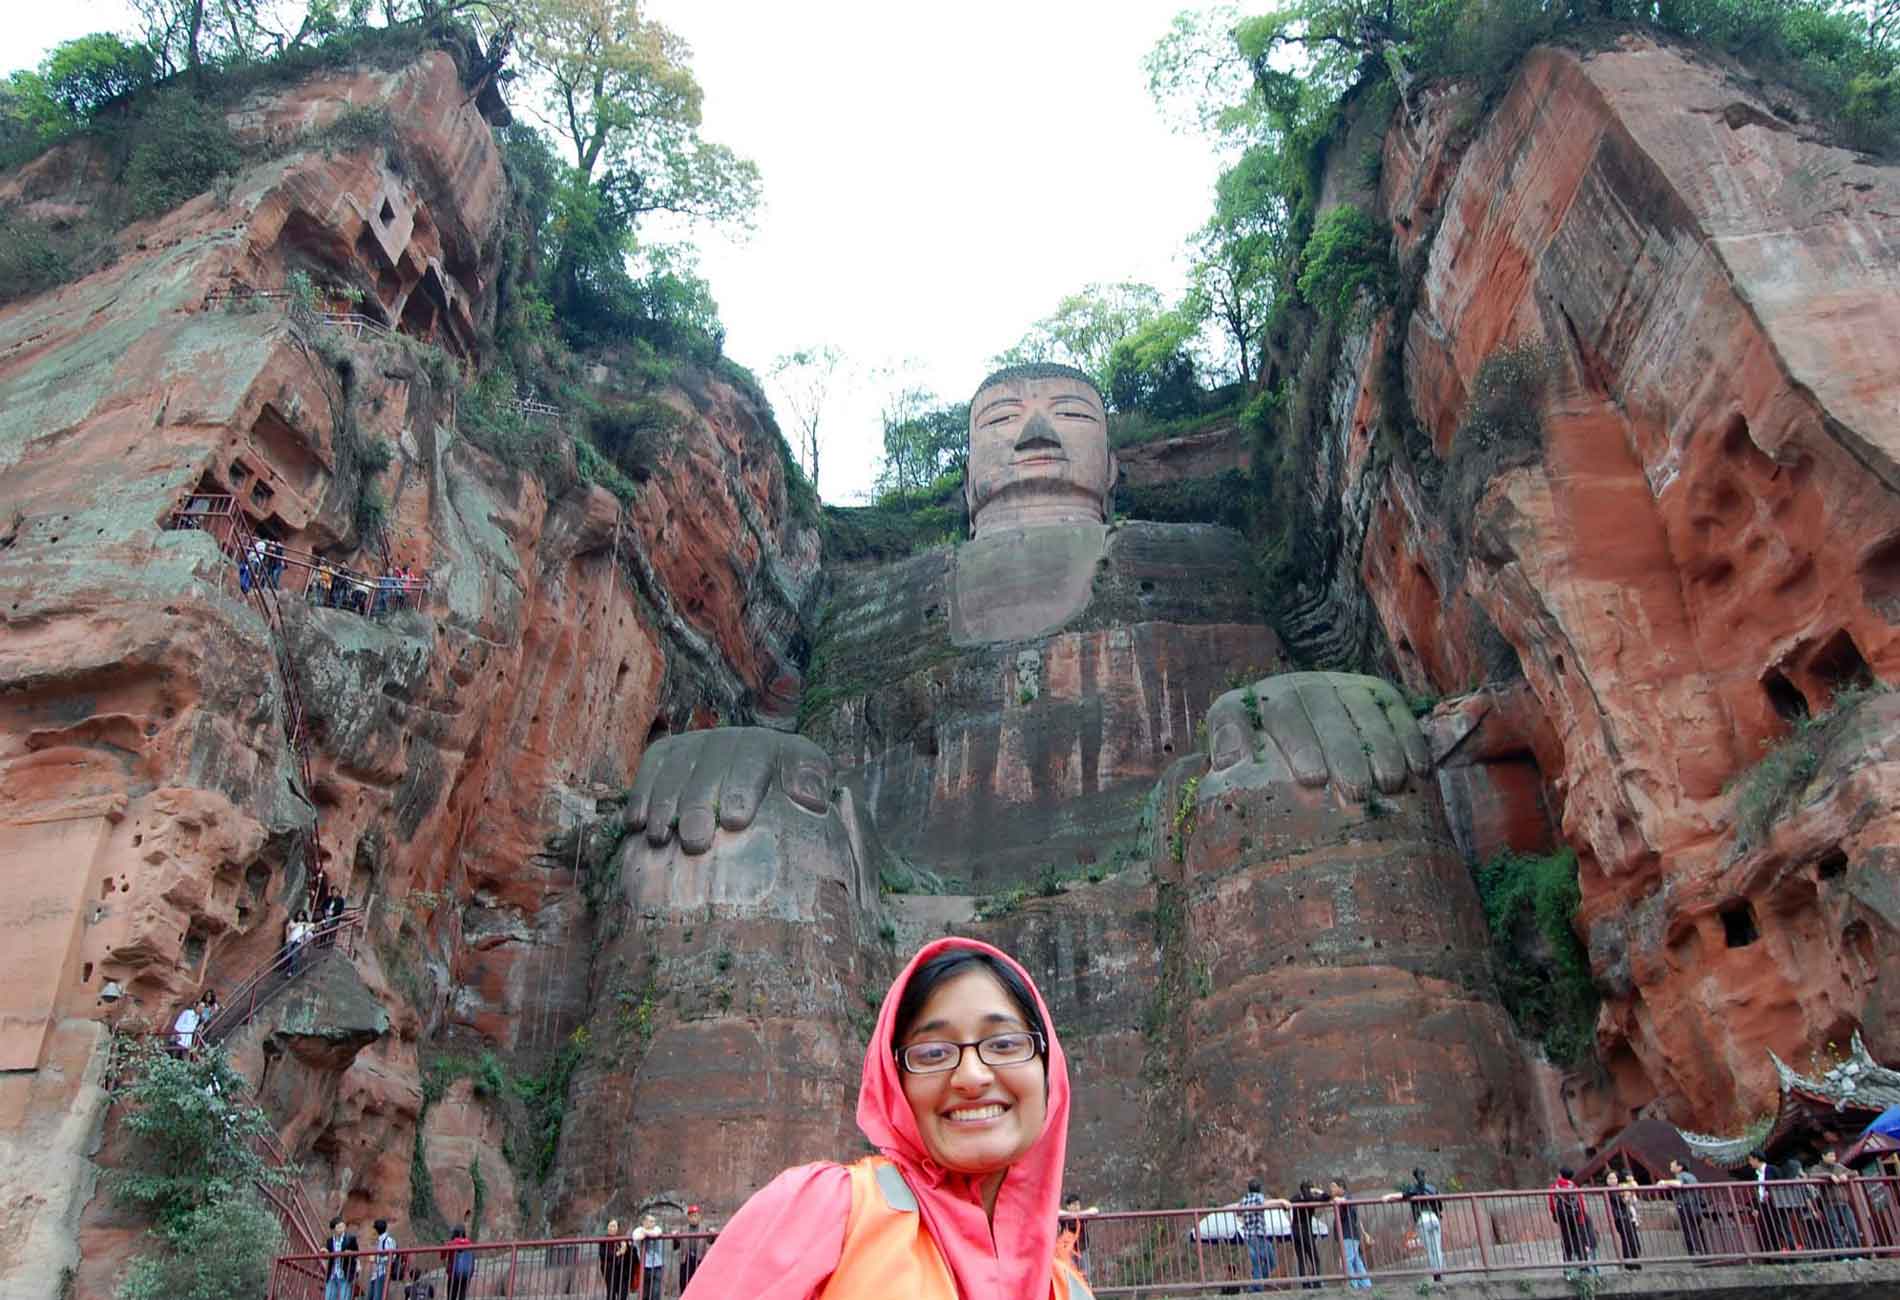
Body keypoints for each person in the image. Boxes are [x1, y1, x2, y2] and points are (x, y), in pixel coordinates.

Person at [678, 938, 1093, 1299]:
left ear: (1047, 1066)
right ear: (895, 1080)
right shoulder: (828, 1214)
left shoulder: (1068, 1290)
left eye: (1004, 1044)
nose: (971, 1076)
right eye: (933, 1053)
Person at [1385, 1168, 1443, 1280]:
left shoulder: (1413, 1189)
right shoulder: (1432, 1189)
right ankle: (1440, 1274)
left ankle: (1437, 1276)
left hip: (1423, 1220)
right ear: (1425, 1175)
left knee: (1431, 1249)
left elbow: (1402, 1195)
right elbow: (1439, 1206)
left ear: (1415, 1177)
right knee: (1437, 1248)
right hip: (1434, 1219)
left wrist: (1388, 1196)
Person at [1548, 1168, 1596, 1277]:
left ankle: (1567, 1269)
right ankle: (1583, 1267)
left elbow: (1552, 1206)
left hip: (1563, 1219)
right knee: (1580, 1242)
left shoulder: (1554, 1187)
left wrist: (1557, 1217)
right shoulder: (1574, 1187)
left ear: (1560, 1175)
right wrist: (1581, 1218)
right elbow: (1581, 1206)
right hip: (1576, 1218)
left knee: (1566, 1243)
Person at [1815, 1148, 1864, 1257]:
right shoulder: (1818, 1168)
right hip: (1830, 1204)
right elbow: (1812, 1175)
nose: (1833, 1158)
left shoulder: (1838, 1167)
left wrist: (1846, 1176)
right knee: (1836, 1231)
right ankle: (1842, 1256)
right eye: (1831, 1156)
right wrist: (1829, 1176)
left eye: (1834, 1156)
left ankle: (1856, 1255)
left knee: (1852, 1228)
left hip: (1844, 1203)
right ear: (1823, 1157)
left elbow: (1854, 1173)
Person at [1655, 1157, 1707, 1257]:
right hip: (1695, 1205)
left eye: (1673, 1164)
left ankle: (1694, 1252)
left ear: (1680, 1167)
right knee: (1695, 1228)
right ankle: (1702, 1251)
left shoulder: (1681, 1176)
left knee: (1688, 1228)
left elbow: (1679, 1184)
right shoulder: (1691, 1176)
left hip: (1686, 1205)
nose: (1671, 1165)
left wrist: (1664, 1182)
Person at [1329, 1178, 1373, 1289]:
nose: (1331, 1189)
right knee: (1356, 1260)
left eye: (1333, 1186)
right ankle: (1366, 1284)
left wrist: (1336, 1200)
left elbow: (1343, 1201)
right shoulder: (1343, 1198)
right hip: (1349, 1235)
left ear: (1341, 1187)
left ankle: (1353, 1284)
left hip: (1348, 1234)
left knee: (1347, 1260)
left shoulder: (1347, 1197)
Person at [1237, 1176, 1278, 1292]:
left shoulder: (1244, 1199)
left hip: (1248, 1235)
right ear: (1259, 1189)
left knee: (1256, 1263)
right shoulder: (1259, 1197)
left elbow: (1238, 1212)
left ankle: (1256, 1283)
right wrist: (1281, 1201)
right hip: (1259, 1234)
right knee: (1271, 1261)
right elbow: (1265, 1204)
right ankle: (1257, 1285)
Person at [1604, 1170, 1642, 1269]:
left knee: (1632, 1240)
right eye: (1610, 1178)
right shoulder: (1610, 1191)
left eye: (1614, 1178)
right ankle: (1630, 1264)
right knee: (1627, 1240)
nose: (1612, 1180)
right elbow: (1623, 1201)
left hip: (1627, 1216)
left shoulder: (1620, 1188)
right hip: (1620, 1218)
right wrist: (1628, 1193)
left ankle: (1634, 1262)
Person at [1056, 1193, 1098, 1280]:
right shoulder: (1065, 1217)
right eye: (1074, 1205)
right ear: (1068, 1206)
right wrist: (1072, 1215)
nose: (1077, 1207)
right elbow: (1057, 1212)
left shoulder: (1083, 1216)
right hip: (1069, 1250)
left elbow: (1095, 1210)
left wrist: (1078, 1214)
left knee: (1086, 1273)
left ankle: (1086, 1290)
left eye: (1078, 1204)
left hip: (1082, 1248)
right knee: (1071, 1273)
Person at [1290, 1180, 1323, 1289]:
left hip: (1295, 1229)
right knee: (1315, 1257)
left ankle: (1305, 1285)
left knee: (1301, 1259)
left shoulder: (1296, 1198)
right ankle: (1317, 1282)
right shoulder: (1312, 1199)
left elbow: (1289, 1201)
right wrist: (1318, 1191)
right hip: (1305, 1230)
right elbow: (1327, 1197)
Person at [324, 1216, 360, 1300]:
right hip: (333, 1273)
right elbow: (328, 1254)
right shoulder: (329, 1241)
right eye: (339, 1227)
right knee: (328, 1297)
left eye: (343, 1226)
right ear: (333, 1229)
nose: (342, 1229)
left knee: (345, 1297)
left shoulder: (351, 1239)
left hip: (345, 1273)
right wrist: (325, 1251)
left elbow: (356, 1253)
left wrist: (350, 1253)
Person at [633, 1212, 667, 1300]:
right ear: (644, 1222)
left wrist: (644, 1232)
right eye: (651, 1221)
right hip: (645, 1267)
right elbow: (635, 1236)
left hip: (657, 1266)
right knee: (644, 1293)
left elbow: (655, 1233)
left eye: (654, 1221)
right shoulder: (638, 1230)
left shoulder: (657, 1229)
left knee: (655, 1293)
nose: (653, 1223)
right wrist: (644, 1232)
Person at [599, 1217, 634, 1300]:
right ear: (607, 1227)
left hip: (623, 1270)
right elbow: (603, 1254)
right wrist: (618, 1253)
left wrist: (627, 1247)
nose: (612, 1228)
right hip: (610, 1269)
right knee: (611, 1293)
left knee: (623, 1294)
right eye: (610, 1226)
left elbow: (630, 1255)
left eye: (614, 1226)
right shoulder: (604, 1240)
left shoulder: (622, 1239)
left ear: (618, 1228)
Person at [677, 1206, 708, 1293]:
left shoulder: (704, 1228)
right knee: (684, 1283)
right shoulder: (683, 1229)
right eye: (691, 1216)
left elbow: (711, 1240)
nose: (693, 1218)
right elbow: (676, 1244)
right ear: (688, 1217)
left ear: (699, 1217)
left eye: (695, 1216)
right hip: (686, 1259)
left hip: (700, 1259)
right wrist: (675, 1236)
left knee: (699, 1284)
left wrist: (712, 1233)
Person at [441, 1224, 475, 1300]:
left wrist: (446, 1267)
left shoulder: (450, 1244)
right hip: (466, 1273)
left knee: (451, 1296)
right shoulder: (470, 1243)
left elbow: (442, 1256)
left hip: (453, 1274)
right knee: (462, 1296)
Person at [368, 1217, 399, 1300]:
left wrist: (376, 1259)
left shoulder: (388, 1240)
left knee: (377, 1297)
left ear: (376, 1229)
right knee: (370, 1296)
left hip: (383, 1272)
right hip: (376, 1273)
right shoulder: (379, 1240)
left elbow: (392, 1256)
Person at [286, 910, 312, 975]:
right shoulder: (292, 921)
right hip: (291, 940)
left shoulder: (305, 925)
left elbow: (308, 933)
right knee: (288, 954)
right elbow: (291, 926)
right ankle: (290, 968)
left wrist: (307, 939)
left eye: (302, 915)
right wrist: (300, 923)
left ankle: (290, 971)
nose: (300, 916)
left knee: (294, 955)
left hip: (299, 941)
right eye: (299, 915)